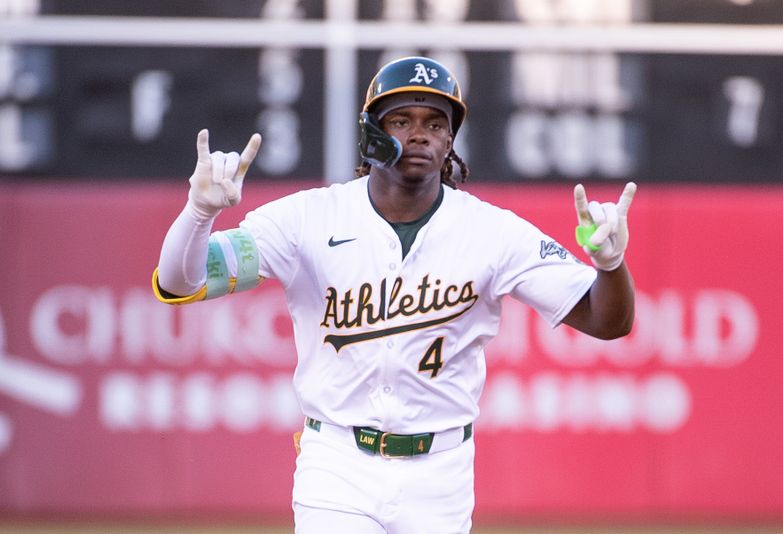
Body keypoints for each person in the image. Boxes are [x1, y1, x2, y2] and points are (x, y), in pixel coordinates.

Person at [153, 56, 637, 533]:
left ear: (450, 139)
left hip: (440, 472)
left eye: (435, 123)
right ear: (371, 135)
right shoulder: (308, 218)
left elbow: (606, 320)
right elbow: (182, 281)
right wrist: (198, 214)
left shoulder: (493, 231)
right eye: (401, 120)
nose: (420, 133)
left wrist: (610, 265)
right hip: (338, 463)